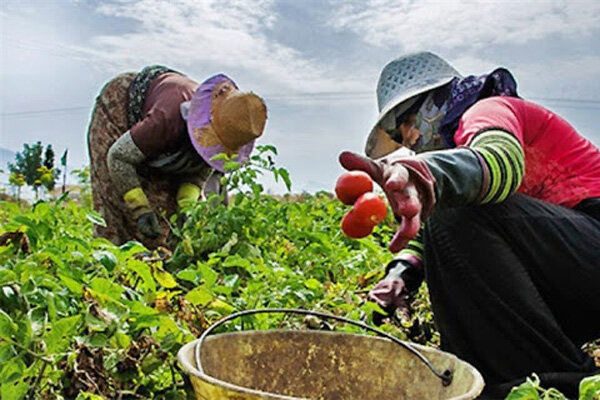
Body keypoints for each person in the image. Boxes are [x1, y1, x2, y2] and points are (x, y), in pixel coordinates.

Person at [339, 52, 600, 398]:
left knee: (454, 214)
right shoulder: (462, 150)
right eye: (396, 133)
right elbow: (437, 233)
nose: (407, 135)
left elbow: (499, 162)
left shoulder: (488, 110)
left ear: (442, 99)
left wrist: (432, 174)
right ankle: (526, 384)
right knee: (449, 220)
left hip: (590, 236)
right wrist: (400, 274)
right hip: (569, 269)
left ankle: (558, 385)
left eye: (407, 117)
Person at [87, 66, 267, 249]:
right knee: (116, 213)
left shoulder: (228, 131)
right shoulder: (167, 119)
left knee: (167, 231)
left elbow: (198, 174)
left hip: (163, 138)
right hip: (120, 112)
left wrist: (186, 208)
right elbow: (118, 158)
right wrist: (140, 209)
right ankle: (107, 268)